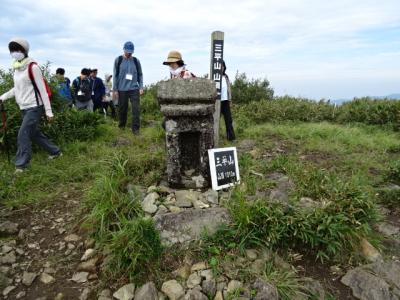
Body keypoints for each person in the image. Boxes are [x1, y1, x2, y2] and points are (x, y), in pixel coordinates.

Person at [0, 38, 61, 173]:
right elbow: (16, 89)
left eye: (17, 49)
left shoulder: (33, 67)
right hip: (23, 107)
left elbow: (43, 91)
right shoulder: (17, 68)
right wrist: (2, 97)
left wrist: (49, 111)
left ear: (25, 50)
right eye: (12, 50)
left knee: (23, 134)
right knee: (33, 133)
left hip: (35, 107)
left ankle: (21, 165)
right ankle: (55, 152)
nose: (15, 52)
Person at [113, 41, 143, 134]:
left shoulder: (136, 61)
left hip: (134, 88)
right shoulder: (118, 60)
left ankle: (136, 130)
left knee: (136, 109)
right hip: (122, 89)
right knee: (123, 109)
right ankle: (121, 127)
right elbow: (115, 75)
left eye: (131, 52)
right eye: (127, 51)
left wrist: (141, 87)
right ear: (124, 49)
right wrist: (115, 89)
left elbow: (140, 74)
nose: (129, 53)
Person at [162, 50, 195, 129]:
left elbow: (186, 93)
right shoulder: (174, 74)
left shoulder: (186, 74)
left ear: (179, 63)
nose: (171, 65)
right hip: (178, 106)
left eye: (173, 63)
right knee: (165, 123)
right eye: (170, 63)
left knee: (167, 123)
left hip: (187, 106)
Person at [220, 60, 236, 141]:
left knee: (228, 120)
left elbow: (228, 89)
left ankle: (231, 138)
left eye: (222, 66)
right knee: (214, 121)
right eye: (219, 66)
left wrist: (230, 100)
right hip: (217, 102)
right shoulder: (214, 76)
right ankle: (213, 138)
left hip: (225, 101)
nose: (221, 68)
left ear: (224, 67)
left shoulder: (226, 77)